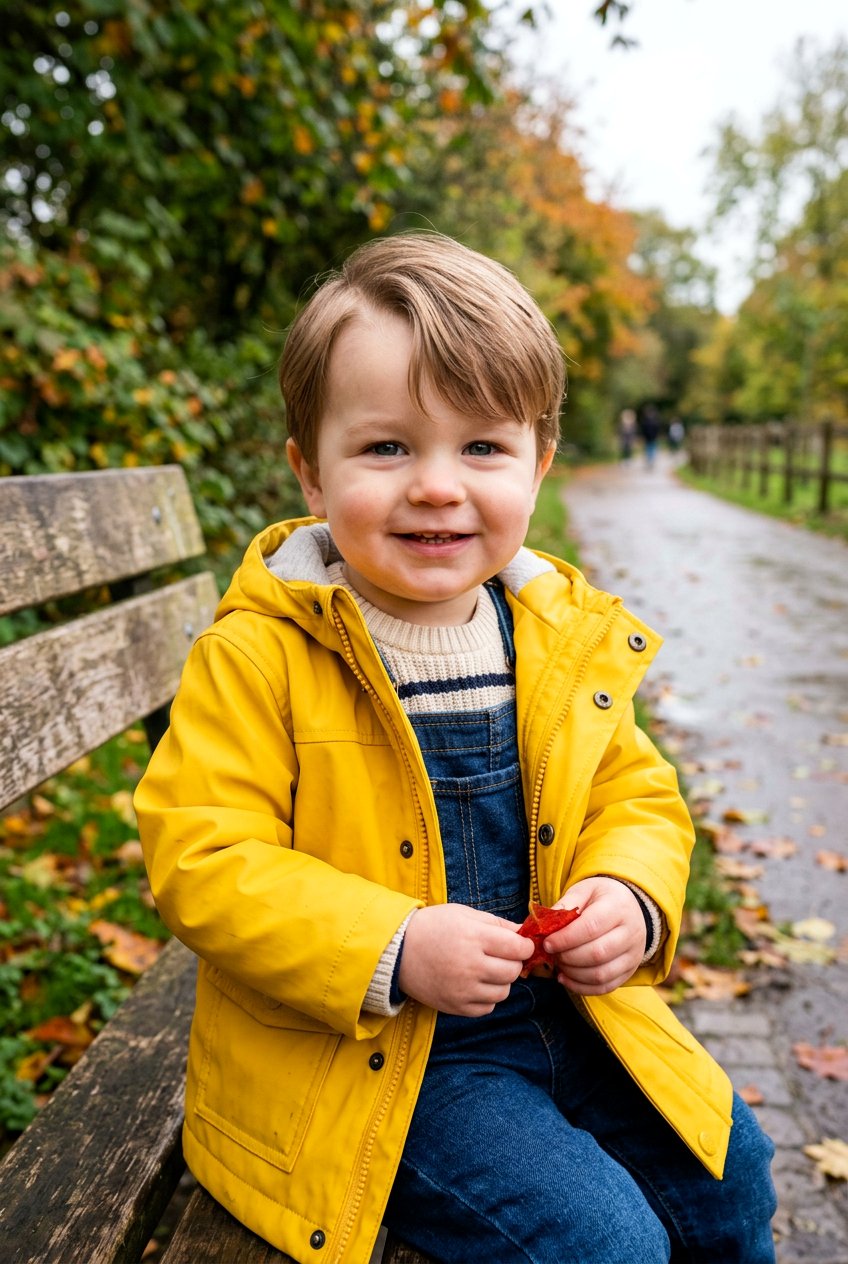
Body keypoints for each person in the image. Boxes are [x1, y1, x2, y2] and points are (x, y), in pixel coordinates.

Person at [134, 232, 776, 1264]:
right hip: (383, 1060)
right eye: (387, 447)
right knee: (596, 1239)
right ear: (309, 471)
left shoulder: (553, 639)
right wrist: (391, 944)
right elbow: (203, 858)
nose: (437, 486)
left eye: (481, 448)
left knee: (727, 1172)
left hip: (570, 1015)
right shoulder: (261, 653)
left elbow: (635, 795)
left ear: (538, 465)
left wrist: (628, 893)